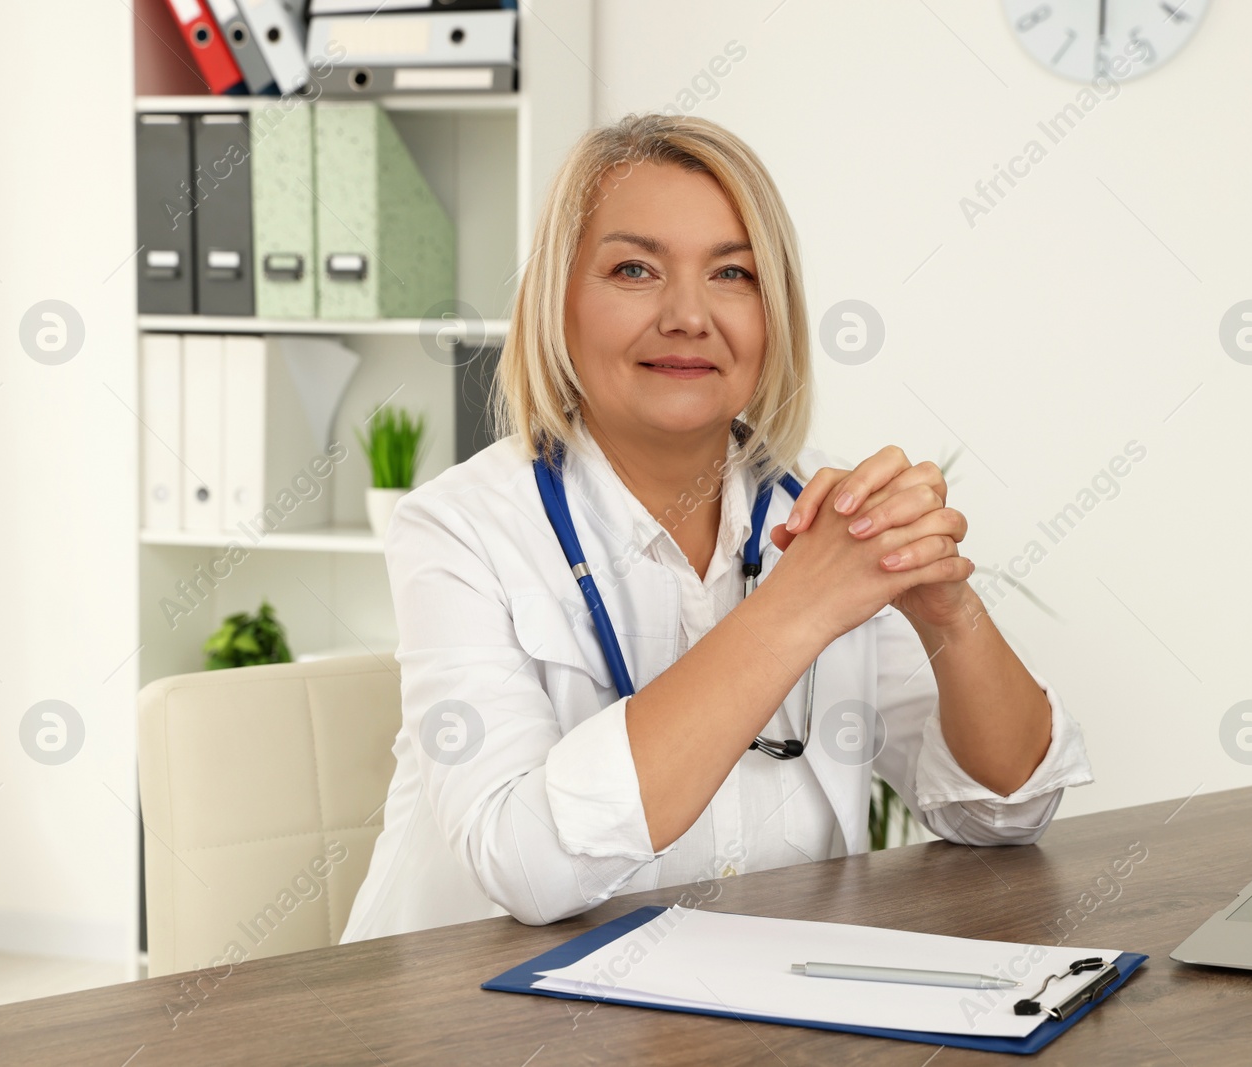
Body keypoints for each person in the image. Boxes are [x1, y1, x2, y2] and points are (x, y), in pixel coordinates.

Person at [340, 112, 1092, 941]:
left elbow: (1004, 811)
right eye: (634, 269)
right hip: (478, 1020)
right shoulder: (459, 530)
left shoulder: (818, 519)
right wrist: (798, 607)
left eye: (732, 274)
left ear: (774, 316)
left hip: (746, 1006)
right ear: (558, 302)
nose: (689, 315)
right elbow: (527, 865)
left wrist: (946, 610)